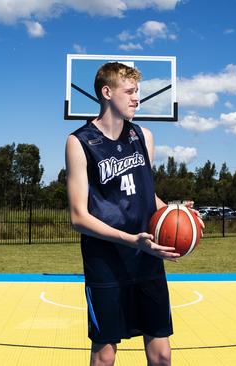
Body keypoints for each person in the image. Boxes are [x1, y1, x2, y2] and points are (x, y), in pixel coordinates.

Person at [65, 62, 192, 366]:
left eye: (138, 91)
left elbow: (147, 194)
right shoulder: (79, 142)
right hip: (105, 260)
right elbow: (78, 216)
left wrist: (173, 211)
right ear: (107, 93)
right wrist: (131, 240)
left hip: (146, 255)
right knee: (105, 355)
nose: (137, 98)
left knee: (161, 353)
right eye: (130, 91)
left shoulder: (143, 136)